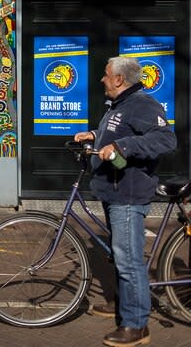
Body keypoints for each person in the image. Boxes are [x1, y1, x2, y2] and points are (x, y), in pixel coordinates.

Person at [74, 57, 176, 347]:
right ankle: (123, 307)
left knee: (129, 260)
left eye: (105, 75)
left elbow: (166, 140)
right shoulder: (119, 105)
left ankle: (136, 326)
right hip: (112, 190)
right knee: (119, 255)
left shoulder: (142, 104)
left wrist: (122, 147)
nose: (101, 80)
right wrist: (94, 135)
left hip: (128, 194)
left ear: (119, 79)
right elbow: (116, 134)